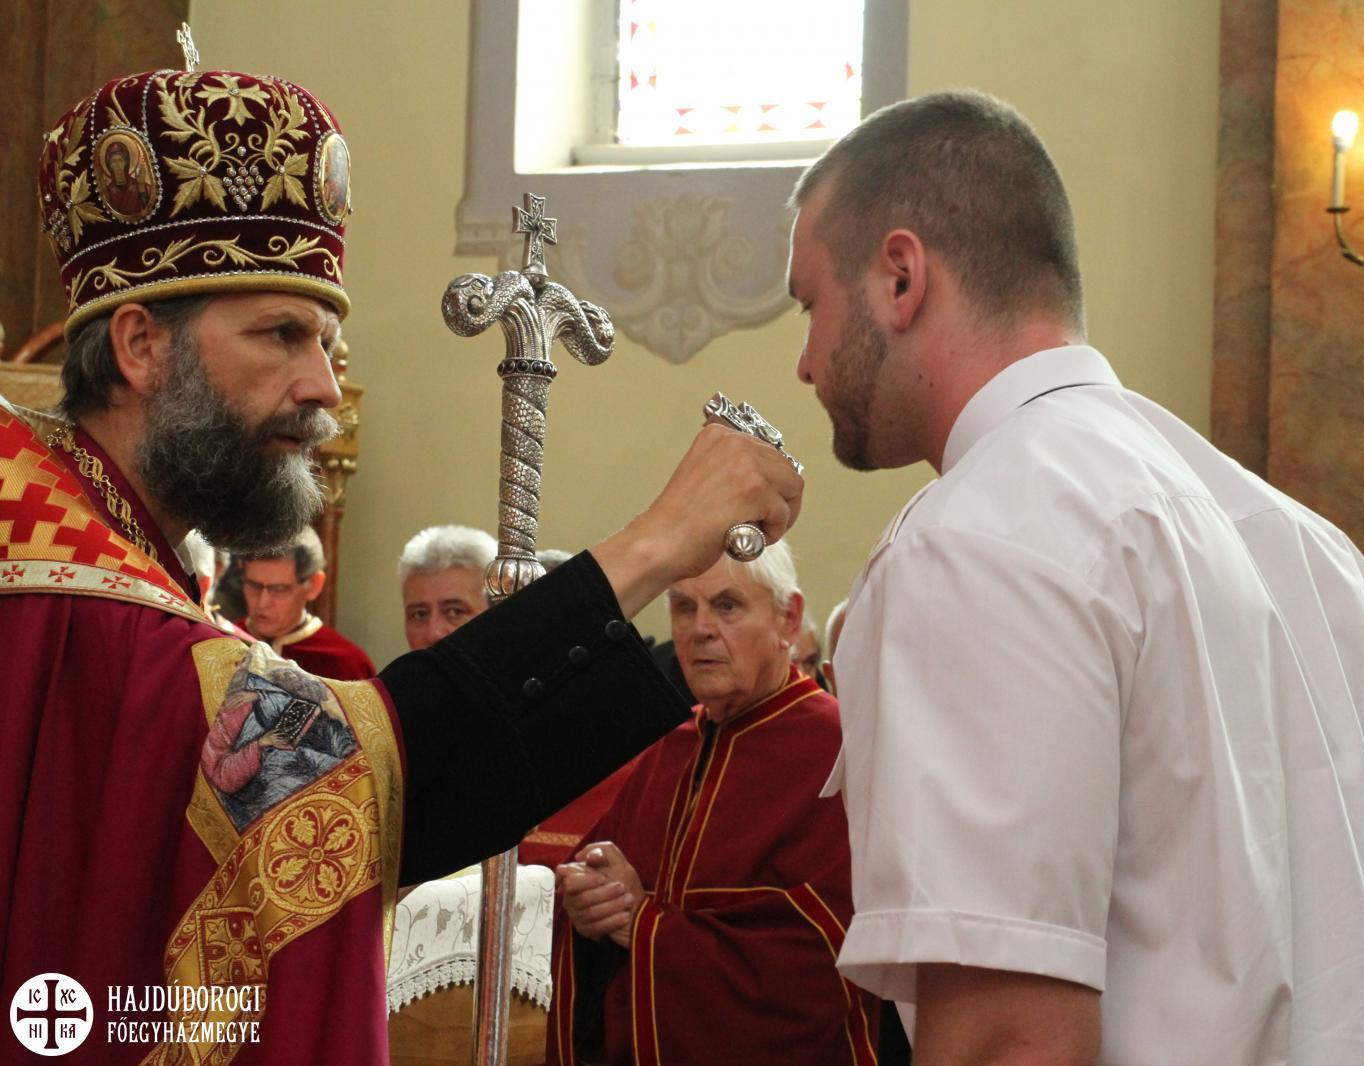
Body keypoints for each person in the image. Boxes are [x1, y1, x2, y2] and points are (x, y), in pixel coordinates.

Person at [1, 59, 800, 1064]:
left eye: (325, 343)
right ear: (138, 346)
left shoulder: (101, 538)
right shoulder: (70, 586)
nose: (322, 388)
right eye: (282, 334)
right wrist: (654, 543)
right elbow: (360, 775)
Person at [787, 90, 1364, 1063]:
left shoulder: (978, 539)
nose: (804, 362)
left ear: (900, 277)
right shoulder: (1314, 548)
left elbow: (1009, 1039)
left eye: (810, 304)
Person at [547, 543, 875, 1065]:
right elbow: (589, 903)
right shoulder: (670, 748)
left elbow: (826, 959)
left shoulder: (838, 750)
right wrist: (588, 907)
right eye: (683, 607)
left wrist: (641, 924)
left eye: (727, 605)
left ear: (789, 620)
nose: (699, 629)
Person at [242, 526, 375, 679]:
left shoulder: (347, 664)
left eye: (279, 589)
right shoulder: (225, 642)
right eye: (253, 585)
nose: (262, 603)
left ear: (314, 585)